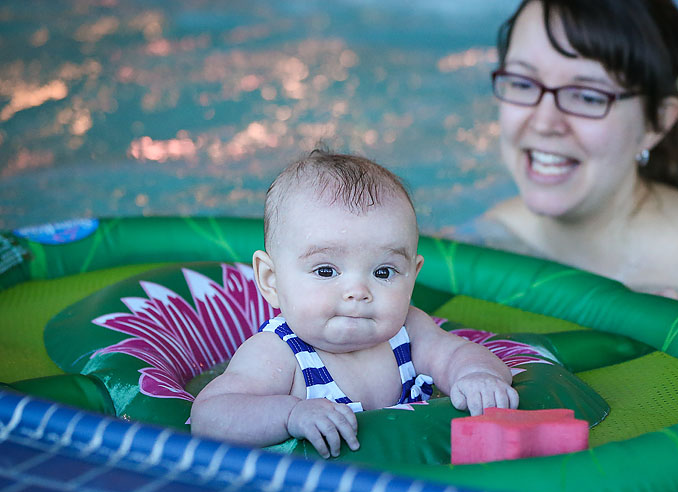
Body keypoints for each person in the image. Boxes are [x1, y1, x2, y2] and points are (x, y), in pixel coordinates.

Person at [471, 0, 678, 307]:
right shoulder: (495, 237)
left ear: (656, 122)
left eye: (588, 96)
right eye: (523, 83)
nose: (544, 122)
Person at [191, 150, 518, 458]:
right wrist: (290, 414)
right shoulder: (276, 354)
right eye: (325, 270)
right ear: (271, 280)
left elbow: (459, 355)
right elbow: (210, 416)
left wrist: (477, 376)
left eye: (383, 272)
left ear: (412, 277)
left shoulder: (409, 332)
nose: (358, 291)